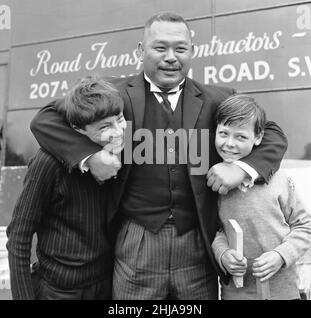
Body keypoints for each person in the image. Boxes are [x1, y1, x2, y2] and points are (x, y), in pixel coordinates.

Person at [30, 12, 288, 300]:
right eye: (160, 47)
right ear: (141, 51)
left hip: (197, 242)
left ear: (193, 52)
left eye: (180, 48)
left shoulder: (217, 99)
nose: (170, 57)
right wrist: (90, 158)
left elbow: (273, 133)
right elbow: (46, 118)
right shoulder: (114, 95)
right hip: (134, 240)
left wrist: (241, 168)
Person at [6, 76, 126, 300]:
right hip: (59, 292)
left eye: (120, 119)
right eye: (105, 127)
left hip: (107, 286)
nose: (119, 131)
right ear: (77, 129)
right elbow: (18, 238)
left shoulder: (120, 154)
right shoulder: (47, 163)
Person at [211, 94, 311, 300]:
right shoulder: (214, 182)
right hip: (236, 294)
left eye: (241, 137)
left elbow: (305, 226)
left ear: (258, 138)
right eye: (223, 133)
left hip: (283, 292)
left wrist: (280, 255)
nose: (229, 143)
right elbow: (215, 230)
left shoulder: (279, 180)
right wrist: (223, 255)